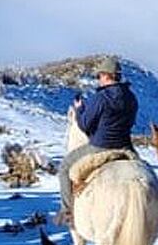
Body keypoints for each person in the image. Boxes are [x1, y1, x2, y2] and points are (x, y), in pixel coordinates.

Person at [58, 58, 138, 224]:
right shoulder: (131, 97)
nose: (98, 79)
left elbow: (85, 124)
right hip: (126, 147)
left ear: (106, 75)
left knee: (64, 168)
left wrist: (80, 109)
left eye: (99, 76)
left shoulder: (100, 98)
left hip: (100, 146)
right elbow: (131, 123)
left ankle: (67, 212)